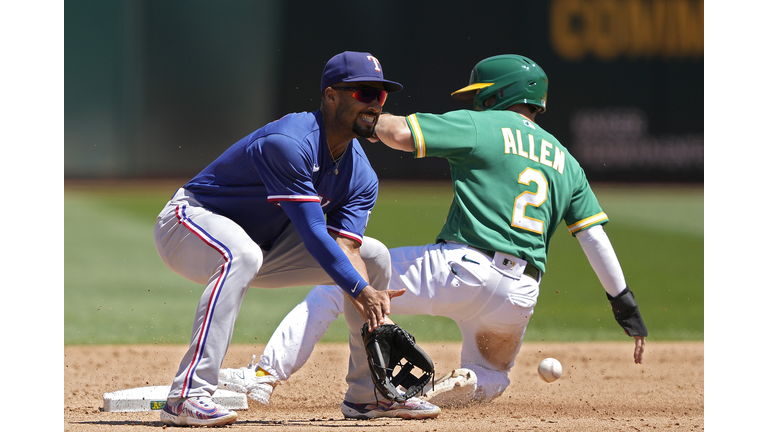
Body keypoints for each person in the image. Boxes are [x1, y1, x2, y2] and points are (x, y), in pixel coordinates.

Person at [218, 54, 648, 407]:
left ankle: (263, 376)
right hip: (519, 296)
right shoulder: (566, 160)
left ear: (497, 95)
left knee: (341, 283)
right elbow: (592, 236)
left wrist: (361, 118)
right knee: (494, 375)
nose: (476, 103)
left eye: (480, 95)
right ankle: (461, 383)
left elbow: (400, 133)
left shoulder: (484, 125)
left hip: (461, 269)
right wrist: (623, 303)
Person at [152, 51, 441, 427]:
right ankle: (187, 395)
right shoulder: (288, 141)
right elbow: (314, 233)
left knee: (373, 255)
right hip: (189, 223)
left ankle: (368, 396)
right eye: (364, 93)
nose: (374, 104)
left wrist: (370, 301)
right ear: (331, 95)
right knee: (242, 254)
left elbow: (346, 247)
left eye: (380, 95)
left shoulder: (362, 174)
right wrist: (361, 291)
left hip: (265, 247)